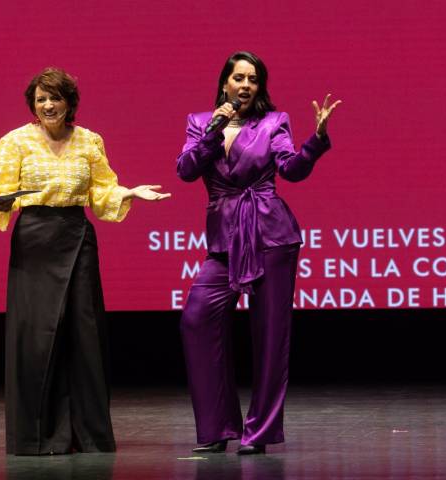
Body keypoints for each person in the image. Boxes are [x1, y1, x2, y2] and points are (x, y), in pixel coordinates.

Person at [0, 67, 170, 455]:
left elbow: (102, 193)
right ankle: (35, 436)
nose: (48, 105)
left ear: (69, 103)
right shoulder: (15, 142)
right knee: (35, 337)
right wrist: (3, 201)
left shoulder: (89, 141)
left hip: (77, 238)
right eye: (41, 100)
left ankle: (87, 433)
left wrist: (128, 193)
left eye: (55, 98)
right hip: (34, 240)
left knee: (84, 335)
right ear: (34, 105)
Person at [177, 51, 341, 455]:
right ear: (224, 84)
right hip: (224, 240)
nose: (246, 85)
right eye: (239, 77)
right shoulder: (201, 123)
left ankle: (259, 432)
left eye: (253, 79)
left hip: (270, 235)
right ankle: (217, 428)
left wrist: (316, 141)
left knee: (269, 337)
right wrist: (215, 129)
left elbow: (291, 169)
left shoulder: (273, 122)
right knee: (197, 318)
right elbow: (185, 169)